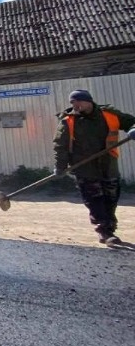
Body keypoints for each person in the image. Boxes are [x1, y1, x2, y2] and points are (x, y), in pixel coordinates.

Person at [53, 89, 135, 245]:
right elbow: (60, 146)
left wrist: (133, 129)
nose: (74, 105)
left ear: (88, 101)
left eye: (77, 101)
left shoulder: (109, 114)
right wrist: (60, 166)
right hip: (85, 167)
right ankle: (104, 232)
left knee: (111, 198)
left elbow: (131, 122)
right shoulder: (68, 121)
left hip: (109, 164)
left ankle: (109, 227)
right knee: (94, 199)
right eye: (72, 102)